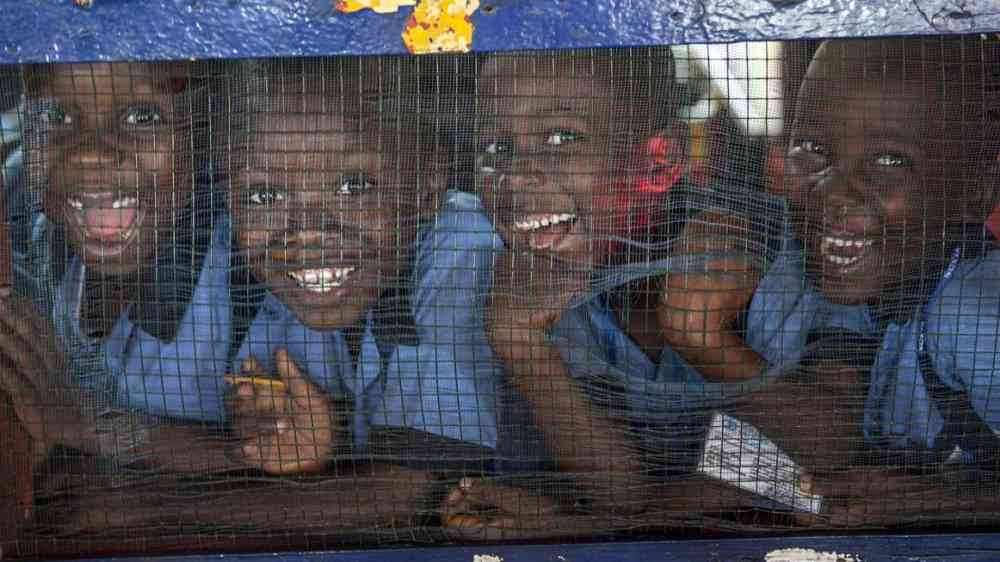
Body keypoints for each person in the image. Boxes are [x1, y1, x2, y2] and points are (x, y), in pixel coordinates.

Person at [659, 35, 1000, 526]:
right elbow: (789, 459)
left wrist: (935, 500)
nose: (835, 193)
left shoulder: (976, 315)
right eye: (813, 149)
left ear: (978, 189)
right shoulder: (817, 272)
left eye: (888, 161)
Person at [441, 47, 755, 535]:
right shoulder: (525, 284)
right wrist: (521, 344)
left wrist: (703, 337)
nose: (516, 173)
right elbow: (623, 494)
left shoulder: (749, 254)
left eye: (562, 137)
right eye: (495, 149)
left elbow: (808, 468)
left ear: (659, 162)